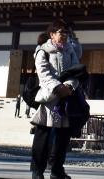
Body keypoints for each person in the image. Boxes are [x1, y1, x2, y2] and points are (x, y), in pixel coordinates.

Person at [30, 20, 83, 179]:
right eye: (61, 32)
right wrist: (58, 87)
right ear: (52, 34)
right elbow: (43, 74)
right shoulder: (43, 51)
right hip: (50, 99)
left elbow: (76, 71)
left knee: (63, 138)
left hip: (66, 98)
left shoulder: (70, 51)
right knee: (43, 137)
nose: (64, 35)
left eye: (66, 32)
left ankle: (57, 170)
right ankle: (37, 170)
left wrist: (69, 87)